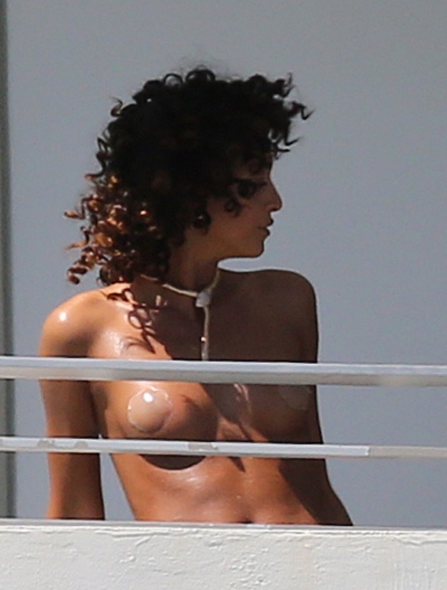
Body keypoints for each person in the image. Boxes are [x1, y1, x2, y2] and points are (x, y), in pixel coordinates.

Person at [39, 68, 351, 525]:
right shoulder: (80, 330)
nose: (276, 201)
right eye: (253, 184)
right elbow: (74, 512)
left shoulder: (286, 301)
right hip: (179, 563)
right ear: (189, 190)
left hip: (312, 558)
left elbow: (317, 478)